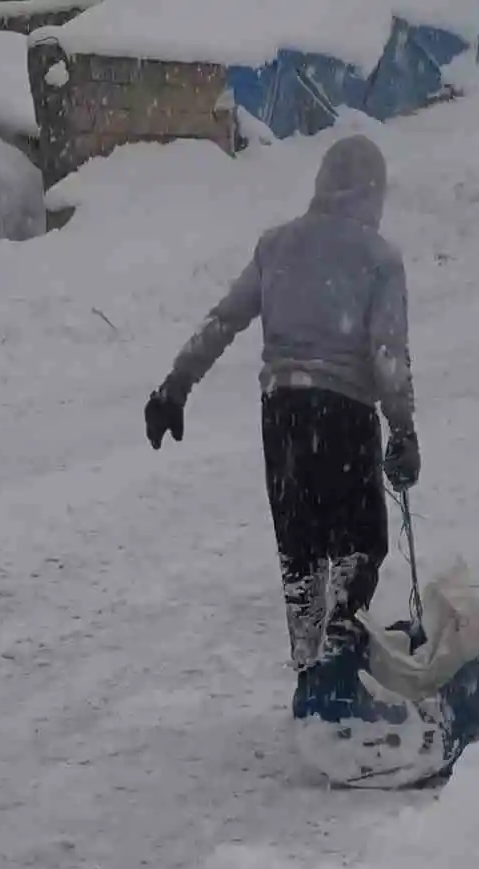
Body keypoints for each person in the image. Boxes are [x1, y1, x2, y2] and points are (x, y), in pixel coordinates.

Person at [144, 134, 421, 695]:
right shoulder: (379, 258)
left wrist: (175, 387)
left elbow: (223, 319)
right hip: (345, 415)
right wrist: (403, 426)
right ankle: (341, 660)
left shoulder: (277, 246)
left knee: (301, 550)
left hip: (284, 416)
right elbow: (387, 351)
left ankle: (308, 672)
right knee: (359, 546)